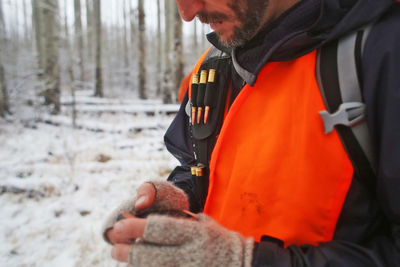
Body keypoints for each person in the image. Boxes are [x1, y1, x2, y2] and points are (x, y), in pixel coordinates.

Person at [102, 0, 400, 266]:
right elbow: (197, 168)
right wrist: (180, 201)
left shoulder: (381, 50)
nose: (187, 12)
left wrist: (249, 261)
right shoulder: (213, 66)